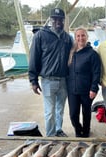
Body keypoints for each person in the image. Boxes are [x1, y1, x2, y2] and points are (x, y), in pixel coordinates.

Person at [28, 8, 73, 137]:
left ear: (63, 21)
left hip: (63, 80)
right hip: (48, 80)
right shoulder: (40, 35)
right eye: (55, 19)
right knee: (49, 111)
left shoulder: (67, 38)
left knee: (60, 109)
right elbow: (33, 58)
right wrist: (33, 80)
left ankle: (58, 129)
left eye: (60, 19)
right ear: (50, 20)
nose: (58, 21)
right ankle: (51, 135)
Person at [67, 27, 101, 137]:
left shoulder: (92, 54)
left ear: (87, 37)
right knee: (73, 115)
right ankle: (78, 130)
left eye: (83, 35)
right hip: (72, 89)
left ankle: (86, 133)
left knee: (86, 113)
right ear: (75, 37)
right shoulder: (71, 53)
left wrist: (94, 88)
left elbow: (96, 72)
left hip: (87, 89)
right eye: (78, 36)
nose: (80, 38)